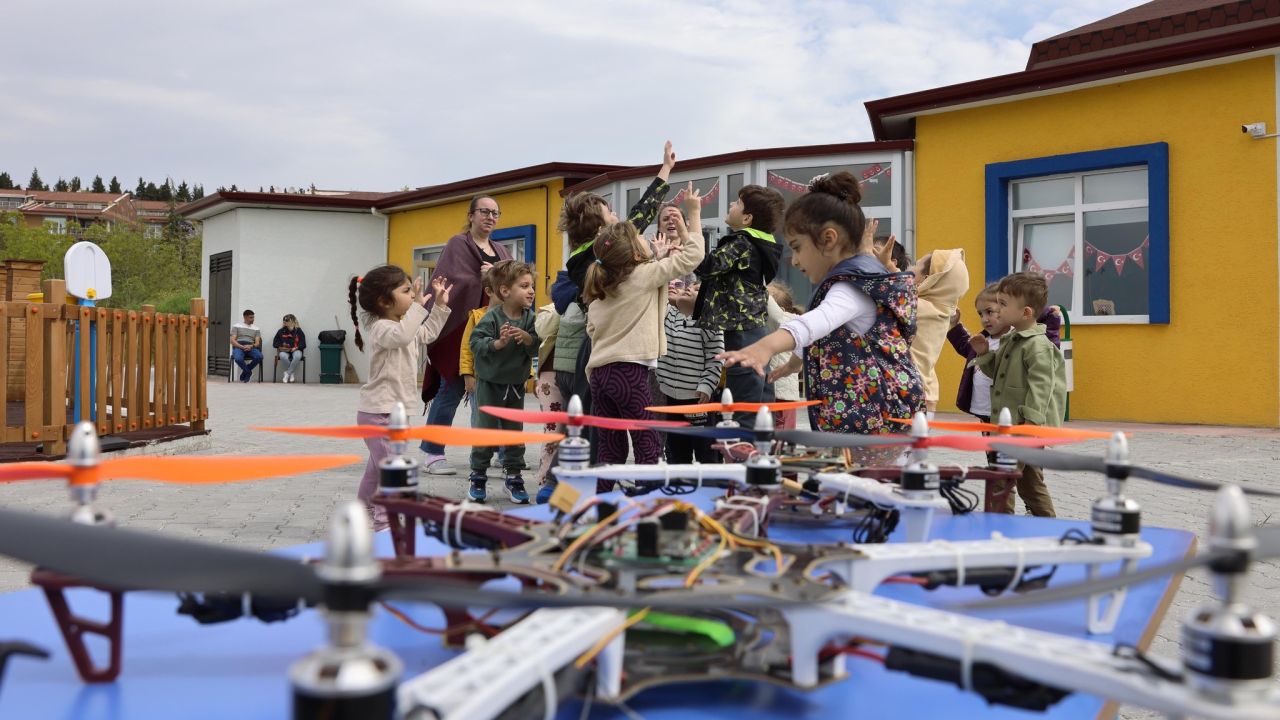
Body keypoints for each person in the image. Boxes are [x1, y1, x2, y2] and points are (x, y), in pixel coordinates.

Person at [717, 172, 925, 465]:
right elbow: (826, 333)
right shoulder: (857, 278)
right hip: (871, 419)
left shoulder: (849, 287)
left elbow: (815, 323)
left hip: (874, 426)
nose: (796, 260)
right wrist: (794, 363)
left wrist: (765, 346)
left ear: (828, 239)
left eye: (798, 247)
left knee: (871, 499)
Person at [551, 141, 676, 420]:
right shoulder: (599, 258)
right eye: (612, 213)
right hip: (616, 350)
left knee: (597, 423)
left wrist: (665, 169)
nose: (619, 217)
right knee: (616, 423)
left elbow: (639, 217)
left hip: (598, 347)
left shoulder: (583, 258)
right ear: (600, 227)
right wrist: (654, 252)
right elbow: (640, 215)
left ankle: (598, 461)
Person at [584, 184, 704, 474]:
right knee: (647, 444)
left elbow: (592, 328)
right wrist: (695, 213)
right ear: (634, 252)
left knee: (610, 447)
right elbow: (693, 256)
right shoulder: (643, 275)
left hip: (599, 375)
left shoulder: (602, 288)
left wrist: (657, 260)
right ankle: (646, 505)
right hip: (629, 373)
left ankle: (604, 503)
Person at [349, 266, 452, 530]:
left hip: (397, 412)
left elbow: (426, 334)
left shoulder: (402, 325)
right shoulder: (382, 328)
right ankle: (385, 524)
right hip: (379, 412)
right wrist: (418, 307)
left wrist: (439, 306)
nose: (414, 295)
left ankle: (363, 512)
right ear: (384, 301)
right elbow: (403, 335)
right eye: (406, 291)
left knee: (377, 468)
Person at [419, 195, 513, 476]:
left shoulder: (501, 250)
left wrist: (497, 275)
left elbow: (513, 282)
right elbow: (451, 282)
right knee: (451, 388)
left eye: (495, 213)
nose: (490, 217)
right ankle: (432, 452)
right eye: (484, 211)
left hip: (494, 330)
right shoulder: (457, 244)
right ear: (471, 215)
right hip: (460, 330)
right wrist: (487, 277)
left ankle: (496, 450)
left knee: (494, 392)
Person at [972, 272, 1066, 517]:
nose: (998, 309)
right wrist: (984, 355)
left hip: (1023, 427)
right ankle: (1046, 524)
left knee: (1001, 478)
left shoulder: (1037, 345)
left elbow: (1042, 386)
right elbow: (999, 374)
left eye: (1003, 304)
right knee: (1029, 482)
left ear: (1025, 312)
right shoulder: (1012, 339)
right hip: (1010, 425)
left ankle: (998, 525)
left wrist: (1031, 423)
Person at [692, 183, 786, 427]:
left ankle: (746, 453)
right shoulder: (756, 244)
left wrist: (691, 220)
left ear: (747, 218)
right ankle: (756, 446)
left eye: (737, 203)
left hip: (744, 332)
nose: (731, 205)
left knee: (745, 401)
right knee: (755, 395)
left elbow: (705, 267)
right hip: (753, 328)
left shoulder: (741, 244)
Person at [468, 260, 539, 504]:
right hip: (489, 384)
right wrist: (497, 344)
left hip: (515, 386)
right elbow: (475, 343)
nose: (531, 291)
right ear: (505, 291)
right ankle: (478, 475)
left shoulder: (531, 318)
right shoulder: (491, 318)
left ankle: (514, 475)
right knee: (485, 430)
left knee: (513, 433)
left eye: (532, 286)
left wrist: (528, 338)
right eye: (524, 286)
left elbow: (539, 344)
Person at [657, 274, 723, 464]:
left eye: (697, 290)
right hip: (670, 397)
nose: (689, 289)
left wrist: (707, 385)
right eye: (690, 286)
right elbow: (658, 298)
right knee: (676, 451)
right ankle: (680, 487)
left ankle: (710, 488)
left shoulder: (709, 321)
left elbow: (716, 357)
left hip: (697, 399)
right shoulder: (669, 313)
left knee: (706, 451)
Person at [907, 249, 969, 418]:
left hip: (911, 391)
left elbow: (891, 293)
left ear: (928, 280)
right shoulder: (943, 310)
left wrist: (889, 268)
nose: (909, 267)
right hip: (927, 392)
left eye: (915, 264)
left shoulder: (920, 307)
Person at [532, 301, 563, 504]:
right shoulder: (549, 309)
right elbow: (543, 331)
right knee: (553, 431)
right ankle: (546, 481)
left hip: (581, 373)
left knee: (577, 433)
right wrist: (563, 305)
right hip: (551, 376)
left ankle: (565, 483)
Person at [765, 282, 802, 430]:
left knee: (781, 437)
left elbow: (772, 312)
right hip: (776, 393)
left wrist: (756, 282)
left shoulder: (787, 320)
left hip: (781, 395)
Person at [272, 314, 306, 383]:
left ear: (293, 321)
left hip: (296, 350)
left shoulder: (298, 331)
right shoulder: (281, 331)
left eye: (287, 320)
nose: (285, 322)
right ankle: (291, 372)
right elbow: (275, 343)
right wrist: (282, 345)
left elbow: (303, 344)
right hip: (285, 350)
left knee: (298, 356)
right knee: (282, 356)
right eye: (284, 320)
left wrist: (296, 348)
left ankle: (287, 373)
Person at [230, 309, 262, 382]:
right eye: (251, 317)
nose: (253, 319)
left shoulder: (256, 328)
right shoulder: (236, 326)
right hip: (239, 346)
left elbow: (257, 343)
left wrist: (251, 346)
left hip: (251, 347)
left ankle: (245, 371)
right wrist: (241, 346)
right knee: (238, 358)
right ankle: (248, 372)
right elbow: (232, 340)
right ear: (245, 317)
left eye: (253, 317)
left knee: (259, 356)